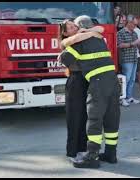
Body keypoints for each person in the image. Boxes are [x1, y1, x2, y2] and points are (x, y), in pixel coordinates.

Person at [63, 15, 121, 169]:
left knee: (95, 119)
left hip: (98, 83)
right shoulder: (100, 39)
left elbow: (64, 59)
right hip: (113, 81)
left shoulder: (80, 41)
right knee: (111, 118)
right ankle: (111, 153)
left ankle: (92, 156)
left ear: (80, 28)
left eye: (74, 27)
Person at [57, 19, 104, 164]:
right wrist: (86, 32)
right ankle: (72, 152)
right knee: (74, 118)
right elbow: (92, 34)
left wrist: (85, 31)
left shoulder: (80, 38)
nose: (75, 27)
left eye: (74, 25)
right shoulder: (70, 42)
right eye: (70, 27)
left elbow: (100, 30)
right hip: (75, 82)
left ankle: (82, 149)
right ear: (65, 33)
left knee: (85, 117)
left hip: (86, 80)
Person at [117, 14, 140, 106]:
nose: (135, 26)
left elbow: (136, 45)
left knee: (132, 79)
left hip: (134, 58)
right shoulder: (121, 33)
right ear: (129, 23)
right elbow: (119, 45)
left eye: (136, 25)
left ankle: (129, 97)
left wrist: (139, 45)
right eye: (134, 24)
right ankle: (122, 99)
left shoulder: (134, 33)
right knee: (125, 79)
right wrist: (132, 43)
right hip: (126, 59)